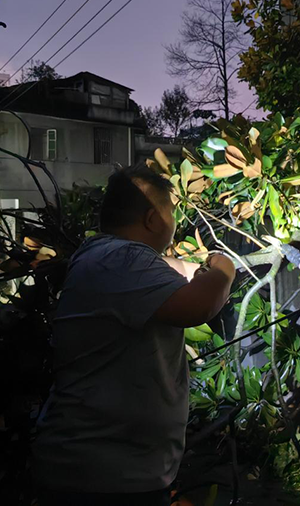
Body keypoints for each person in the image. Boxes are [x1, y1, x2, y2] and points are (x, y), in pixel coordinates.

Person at [32, 163, 236, 506]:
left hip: (107, 468)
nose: (175, 222)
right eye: (172, 213)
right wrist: (223, 268)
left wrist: (201, 270)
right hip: (102, 477)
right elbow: (198, 306)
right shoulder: (124, 259)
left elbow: (178, 272)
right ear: (153, 220)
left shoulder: (102, 257)